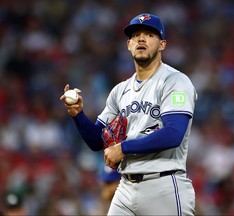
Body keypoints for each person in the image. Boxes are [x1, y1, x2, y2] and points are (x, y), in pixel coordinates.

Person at [60, 13, 197, 215]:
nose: (141, 39)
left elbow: (173, 134)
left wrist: (123, 148)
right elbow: (97, 141)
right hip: (125, 187)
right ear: (129, 44)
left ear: (162, 45)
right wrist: (78, 115)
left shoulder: (175, 81)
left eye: (149, 34)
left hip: (163, 185)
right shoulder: (120, 91)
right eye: (136, 35)